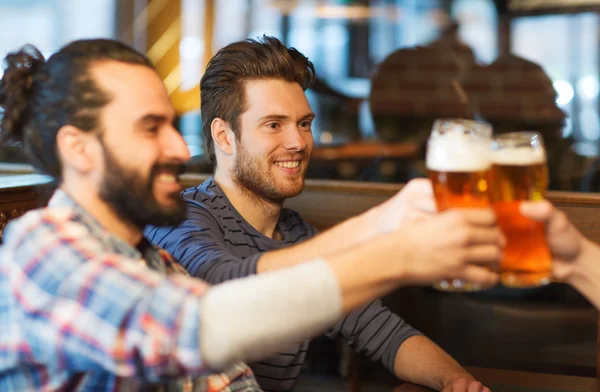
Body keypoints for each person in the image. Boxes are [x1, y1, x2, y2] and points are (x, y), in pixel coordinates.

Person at [0, 39, 502, 391]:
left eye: (303, 124)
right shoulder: (47, 252)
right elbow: (208, 320)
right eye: (151, 128)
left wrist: (456, 381)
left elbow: (231, 373)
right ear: (79, 149)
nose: (178, 147)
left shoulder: (139, 257)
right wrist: (390, 242)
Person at [146, 36, 492, 392]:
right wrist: (379, 228)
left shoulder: (298, 234)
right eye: (274, 125)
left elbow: (383, 332)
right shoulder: (182, 217)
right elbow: (223, 289)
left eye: (304, 123)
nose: (298, 142)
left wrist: (457, 381)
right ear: (224, 136)